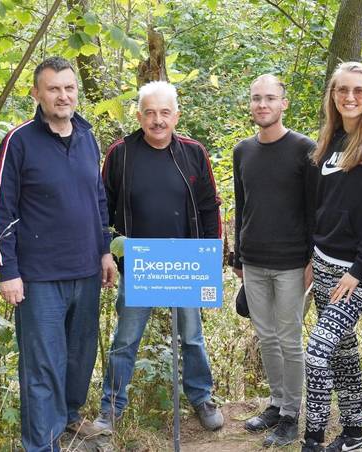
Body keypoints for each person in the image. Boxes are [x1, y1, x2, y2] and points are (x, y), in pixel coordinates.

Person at [0, 57, 116, 452]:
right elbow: (1, 211)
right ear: (37, 94)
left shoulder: (86, 137)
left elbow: (97, 198)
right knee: (42, 367)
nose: (63, 96)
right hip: (38, 277)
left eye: (69, 88)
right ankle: (41, 445)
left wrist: (104, 252)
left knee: (79, 358)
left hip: (86, 271)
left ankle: (70, 418)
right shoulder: (19, 140)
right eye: (53, 89)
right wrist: (7, 271)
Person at [94, 80, 224, 432]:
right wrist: (111, 254)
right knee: (125, 340)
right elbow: (102, 208)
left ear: (176, 115)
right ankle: (111, 408)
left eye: (165, 113)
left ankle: (201, 398)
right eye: (150, 113)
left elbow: (210, 207)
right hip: (139, 263)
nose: (157, 120)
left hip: (186, 262)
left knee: (192, 338)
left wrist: (210, 257)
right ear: (139, 115)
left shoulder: (194, 152)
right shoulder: (121, 153)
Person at [300, 62, 362, 452]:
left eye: (359, 90)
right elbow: (317, 207)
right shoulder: (328, 142)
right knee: (341, 352)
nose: (350, 97)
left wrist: (359, 270)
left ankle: (313, 439)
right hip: (323, 262)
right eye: (343, 90)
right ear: (333, 96)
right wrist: (311, 256)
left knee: (318, 351)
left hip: (358, 272)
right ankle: (354, 435)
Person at [233, 74, 315, 447]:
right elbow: (242, 203)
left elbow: (316, 209)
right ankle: (276, 404)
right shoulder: (242, 151)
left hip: (291, 263)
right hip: (253, 261)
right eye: (255, 99)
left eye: (269, 98)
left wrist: (312, 258)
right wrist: (237, 256)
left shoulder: (304, 149)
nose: (262, 104)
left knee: (289, 339)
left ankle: (292, 414)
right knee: (266, 337)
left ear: (284, 103)